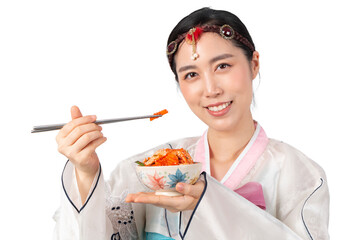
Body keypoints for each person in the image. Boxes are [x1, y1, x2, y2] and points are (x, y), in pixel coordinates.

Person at [53, 7, 330, 240]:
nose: (210, 89)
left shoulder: (301, 176)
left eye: (222, 66)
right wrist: (86, 173)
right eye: (191, 75)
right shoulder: (151, 170)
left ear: (254, 64)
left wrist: (210, 203)